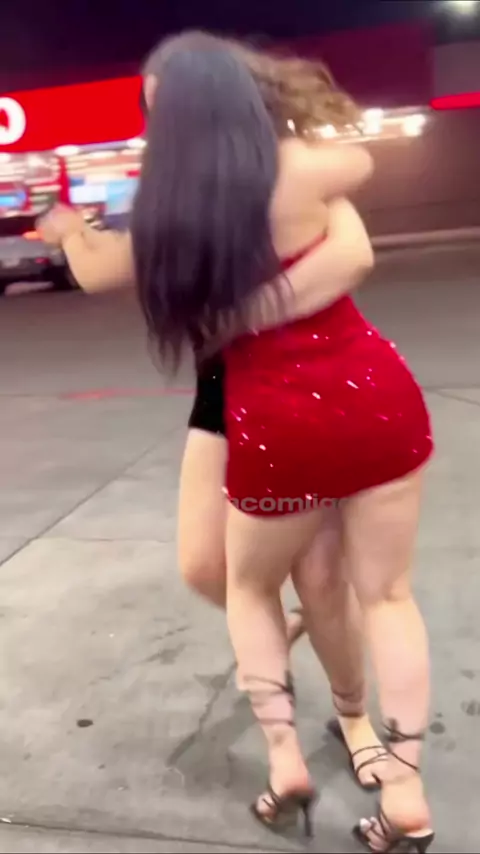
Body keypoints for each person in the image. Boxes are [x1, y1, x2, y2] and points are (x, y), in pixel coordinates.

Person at [128, 30, 435, 852]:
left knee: (251, 588)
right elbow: (358, 165)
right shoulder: (297, 170)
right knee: (389, 596)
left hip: (275, 421)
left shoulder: (165, 215)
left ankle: (284, 758)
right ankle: (406, 791)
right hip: (378, 396)